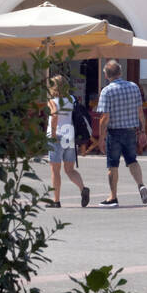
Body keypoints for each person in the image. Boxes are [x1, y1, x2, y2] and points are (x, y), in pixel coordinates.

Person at [96, 59, 147, 207]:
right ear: (120, 73)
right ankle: (141, 184)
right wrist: (143, 131)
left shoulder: (107, 91)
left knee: (112, 165)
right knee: (132, 160)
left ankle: (113, 197)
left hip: (114, 132)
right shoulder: (133, 87)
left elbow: (104, 118)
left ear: (107, 76)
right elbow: (140, 112)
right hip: (131, 131)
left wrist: (101, 138)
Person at [45, 75, 89, 208]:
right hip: (69, 135)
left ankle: (56, 200)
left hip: (57, 136)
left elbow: (54, 116)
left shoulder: (52, 101)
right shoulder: (71, 100)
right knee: (69, 169)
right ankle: (83, 188)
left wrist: (52, 134)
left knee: (55, 170)